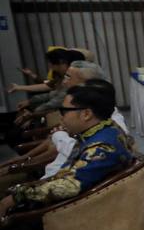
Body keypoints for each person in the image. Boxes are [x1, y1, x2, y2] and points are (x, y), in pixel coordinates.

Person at [0, 82, 136, 218]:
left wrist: (18, 196)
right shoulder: (104, 128)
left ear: (87, 114)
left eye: (64, 111)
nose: (61, 117)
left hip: (72, 215)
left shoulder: (102, 147)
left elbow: (69, 186)